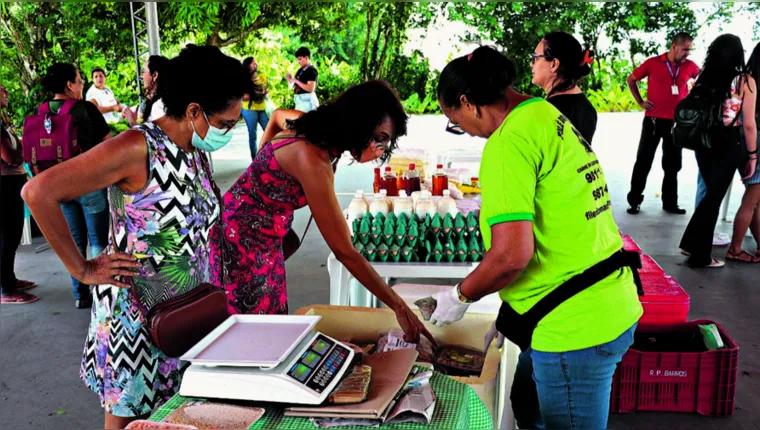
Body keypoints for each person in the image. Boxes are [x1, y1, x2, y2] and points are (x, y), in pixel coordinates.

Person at [22, 45, 248, 429]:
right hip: (137, 317)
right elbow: (38, 192)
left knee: (175, 417)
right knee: (128, 421)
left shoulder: (194, 149)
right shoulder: (136, 146)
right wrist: (81, 268)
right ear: (194, 111)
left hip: (185, 311)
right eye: (226, 123)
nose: (229, 131)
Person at [431, 46, 642, 429]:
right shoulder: (543, 112)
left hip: (574, 328)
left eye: (455, 120)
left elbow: (512, 255)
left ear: (468, 102)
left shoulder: (507, 143)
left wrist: (461, 295)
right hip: (602, 296)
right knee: (526, 404)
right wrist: (516, 308)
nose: (465, 130)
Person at [210, 80, 434, 345]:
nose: (380, 150)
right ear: (358, 123)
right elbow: (344, 251)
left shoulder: (312, 129)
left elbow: (278, 116)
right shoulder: (312, 158)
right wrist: (399, 306)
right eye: (379, 139)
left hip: (265, 238)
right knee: (253, 334)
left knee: (270, 324)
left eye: (386, 143)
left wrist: (263, 173)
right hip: (239, 242)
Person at [40, 63, 113, 308]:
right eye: (80, 80)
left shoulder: (42, 112)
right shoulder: (86, 109)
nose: (82, 85)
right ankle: (102, 292)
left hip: (60, 187)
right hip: (89, 185)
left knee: (75, 240)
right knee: (98, 240)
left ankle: (81, 294)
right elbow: (108, 143)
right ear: (69, 85)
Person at [680, 35, 757, 266]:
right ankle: (700, 256)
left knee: (710, 197)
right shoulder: (745, 80)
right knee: (713, 199)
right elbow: (749, 124)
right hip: (727, 143)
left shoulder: (706, 76)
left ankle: (689, 244)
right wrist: (752, 156)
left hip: (703, 143)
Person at [626, 32, 700, 215]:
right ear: (674, 47)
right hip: (653, 120)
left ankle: (670, 203)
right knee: (643, 160)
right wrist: (640, 101)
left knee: (673, 164)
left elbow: (703, 81)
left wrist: (693, 99)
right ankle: (634, 201)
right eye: (685, 50)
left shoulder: (690, 66)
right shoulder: (653, 63)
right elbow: (631, 79)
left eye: (690, 50)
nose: (687, 54)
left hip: (677, 123)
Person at [1, 81, 38, 305]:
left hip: (10, 183)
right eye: (1, 89)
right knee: (7, 237)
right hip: (4, 186)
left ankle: (10, 280)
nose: (5, 92)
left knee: (11, 236)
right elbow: (10, 157)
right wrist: (26, 149)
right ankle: (6, 290)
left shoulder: (3, 121)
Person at [531, 31, 598, 144]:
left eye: (536, 58)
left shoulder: (549, 110)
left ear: (554, 64)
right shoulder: (587, 107)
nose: (531, 64)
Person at [728, 43, 760, 260]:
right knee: (752, 198)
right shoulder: (750, 83)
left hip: (739, 140)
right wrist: (753, 155)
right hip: (755, 142)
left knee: (756, 199)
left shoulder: (742, 79)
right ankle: (735, 249)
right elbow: (751, 123)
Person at [124, 55, 169, 126]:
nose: (142, 75)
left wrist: (133, 122)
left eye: (143, 71)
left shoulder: (159, 105)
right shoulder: (166, 99)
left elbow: (156, 136)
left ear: (154, 75)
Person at [241, 56, 270, 159]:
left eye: (256, 62)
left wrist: (263, 93)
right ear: (248, 66)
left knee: (269, 131)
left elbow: (266, 91)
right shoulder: (243, 79)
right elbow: (242, 97)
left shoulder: (261, 77)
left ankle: (269, 156)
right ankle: (255, 160)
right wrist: (254, 94)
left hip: (262, 109)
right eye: (253, 63)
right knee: (253, 135)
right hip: (249, 110)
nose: (256, 64)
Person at [286, 46, 319, 112]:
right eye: (298, 59)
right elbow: (295, 85)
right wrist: (290, 80)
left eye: (300, 59)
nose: (298, 61)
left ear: (306, 58)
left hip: (308, 102)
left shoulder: (312, 71)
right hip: (299, 102)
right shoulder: (300, 70)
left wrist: (297, 81)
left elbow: (310, 89)